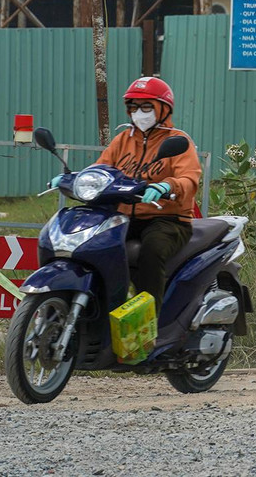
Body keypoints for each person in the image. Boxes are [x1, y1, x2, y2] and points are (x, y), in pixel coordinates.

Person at [85, 77, 202, 316]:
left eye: (147, 106)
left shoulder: (178, 141)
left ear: (163, 109)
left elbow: (190, 179)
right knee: (93, 245)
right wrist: (76, 179)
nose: (139, 113)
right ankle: (96, 314)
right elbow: (101, 169)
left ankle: (149, 324)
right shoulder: (122, 140)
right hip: (124, 216)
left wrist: (166, 186)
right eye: (134, 107)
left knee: (152, 251)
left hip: (167, 219)